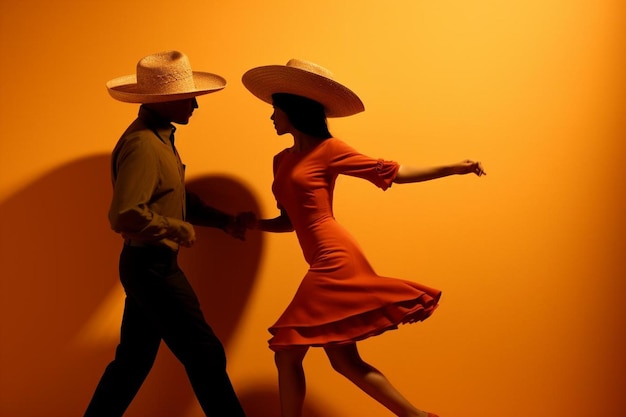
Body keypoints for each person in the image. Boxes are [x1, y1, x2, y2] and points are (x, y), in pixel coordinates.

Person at [241, 59, 486, 417]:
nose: (271, 117)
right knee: (343, 361)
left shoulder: (330, 150)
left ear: (293, 109)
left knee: (287, 351)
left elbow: (393, 174)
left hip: (335, 256)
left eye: (275, 109)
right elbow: (289, 222)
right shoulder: (281, 161)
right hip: (321, 256)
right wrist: (251, 225)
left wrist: (452, 167)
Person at [84, 51, 247, 417]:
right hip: (152, 267)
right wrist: (178, 228)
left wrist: (222, 220)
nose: (195, 105)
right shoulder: (143, 146)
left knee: (132, 363)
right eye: (189, 97)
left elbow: (172, 196)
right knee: (204, 354)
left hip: (149, 266)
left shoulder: (160, 140)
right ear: (166, 100)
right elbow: (125, 214)